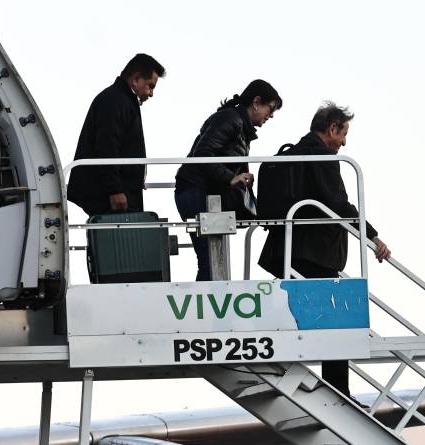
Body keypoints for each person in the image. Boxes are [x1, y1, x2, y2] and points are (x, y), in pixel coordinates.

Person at [257, 102, 391, 398]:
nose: (344, 143)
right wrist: (372, 236)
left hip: (285, 252)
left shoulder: (291, 153)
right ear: (332, 129)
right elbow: (339, 204)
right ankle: (339, 391)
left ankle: (324, 385)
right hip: (314, 254)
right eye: (343, 134)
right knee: (336, 322)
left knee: (304, 318)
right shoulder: (322, 157)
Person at [175, 79, 283, 280]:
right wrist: (231, 178)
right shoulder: (231, 119)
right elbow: (202, 154)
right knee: (211, 263)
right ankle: (208, 301)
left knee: (213, 262)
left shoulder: (239, 125)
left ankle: (209, 299)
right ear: (256, 102)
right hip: (196, 191)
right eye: (270, 109)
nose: (271, 115)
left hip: (201, 193)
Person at [66, 53, 166, 217]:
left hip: (118, 191)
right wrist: (115, 190)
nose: (151, 93)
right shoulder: (115, 100)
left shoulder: (120, 100)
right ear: (136, 79)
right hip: (110, 196)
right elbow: (107, 145)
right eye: (150, 86)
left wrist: (135, 177)